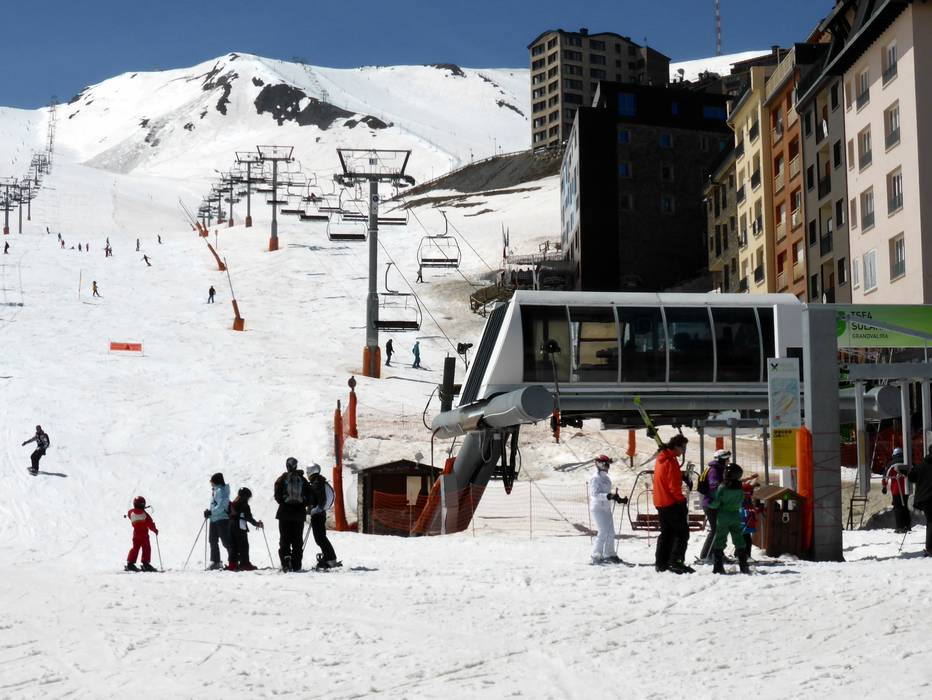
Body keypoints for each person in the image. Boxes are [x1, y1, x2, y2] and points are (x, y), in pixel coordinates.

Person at [653, 434, 693, 574]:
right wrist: (681, 501)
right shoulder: (670, 461)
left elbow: (667, 476)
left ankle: (661, 563)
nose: (683, 451)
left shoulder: (662, 458)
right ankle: (676, 561)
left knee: (667, 533)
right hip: (670, 502)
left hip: (660, 501)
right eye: (683, 448)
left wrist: (681, 475)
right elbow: (673, 486)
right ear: (676, 446)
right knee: (682, 533)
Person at [707, 464, 750, 574]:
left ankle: (718, 567)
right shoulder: (739, 487)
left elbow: (717, 502)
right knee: (739, 539)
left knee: (720, 539)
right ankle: (744, 566)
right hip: (735, 515)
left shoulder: (722, 487)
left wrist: (710, 504)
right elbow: (741, 500)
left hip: (723, 515)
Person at [588, 455, 627, 564]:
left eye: (608, 464)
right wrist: (608, 496)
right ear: (599, 464)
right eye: (606, 464)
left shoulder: (607, 479)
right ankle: (596, 555)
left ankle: (609, 554)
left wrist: (618, 499)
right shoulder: (595, 478)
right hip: (597, 508)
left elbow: (608, 495)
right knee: (603, 531)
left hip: (606, 508)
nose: (607, 467)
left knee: (611, 532)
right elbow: (595, 494)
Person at [274, 457, 310, 572]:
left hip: (284, 513)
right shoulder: (302, 479)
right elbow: (310, 495)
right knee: (297, 540)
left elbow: (277, 496)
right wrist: (303, 504)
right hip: (299, 515)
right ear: (296, 466)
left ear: (287, 466)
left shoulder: (282, 479)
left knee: (284, 539)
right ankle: (296, 565)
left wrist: (284, 503)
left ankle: (286, 562)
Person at [698, 449, 730, 562]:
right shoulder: (714, 470)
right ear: (722, 460)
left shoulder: (719, 469)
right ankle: (706, 555)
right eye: (727, 459)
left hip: (715, 503)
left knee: (720, 529)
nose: (728, 461)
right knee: (716, 530)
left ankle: (717, 553)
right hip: (711, 504)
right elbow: (714, 486)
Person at [307, 463, 339, 569]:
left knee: (320, 538)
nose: (307, 474)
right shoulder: (319, 481)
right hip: (320, 513)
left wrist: (314, 510)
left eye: (308, 472)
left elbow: (320, 500)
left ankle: (330, 559)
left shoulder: (316, 483)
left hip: (318, 514)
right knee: (321, 537)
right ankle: (329, 557)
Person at [227, 487, 263, 571]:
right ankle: (245, 564)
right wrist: (257, 524)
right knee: (244, 546)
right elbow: (248, 517)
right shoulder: (244, 505)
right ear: (245, 497)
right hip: (240, 527)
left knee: (233, 546)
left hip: (231, 525)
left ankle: (232, 565)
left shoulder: (232, 504)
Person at [906, 449, 932, 556]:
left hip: (925, 499)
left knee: (930, 521)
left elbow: (911, 477)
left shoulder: (921, 465)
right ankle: (930, 548)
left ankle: (930, 548)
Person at [204, 473, 231, 570]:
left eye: (211, 481)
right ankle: (215, 561)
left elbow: (222, 505)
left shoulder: (222, 491)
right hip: (214, 519)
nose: (211, 483)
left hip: (222, 519)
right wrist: (209, 512)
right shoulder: (216, 490)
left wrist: (211, 512)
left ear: (216, 481)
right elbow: (215, 505)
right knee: (212, 540)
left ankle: (234, 560)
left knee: (226, 541)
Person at [126, 496, 159, 572]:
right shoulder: (145, 515)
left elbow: (130, 514)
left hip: (136, 534)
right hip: (144, 535)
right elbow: (150, 524)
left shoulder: (131, 512)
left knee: (135, 549)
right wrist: (155, 530)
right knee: (146, 548)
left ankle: (130, 563)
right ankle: (145, 564)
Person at [883, 447, 911, 533]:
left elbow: (885, 476)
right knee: (906, 508)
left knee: (898, 508)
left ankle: (900, 527)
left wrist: (884, 486)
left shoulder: (891, 464)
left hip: (896, 490)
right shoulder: (907, 462)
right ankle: (908, 526)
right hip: (906, 489)